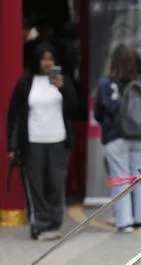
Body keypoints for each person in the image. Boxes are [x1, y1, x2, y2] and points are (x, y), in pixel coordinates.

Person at [7, 42, 78, 241]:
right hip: (33, 141)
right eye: (43, 59)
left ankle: (54, 224)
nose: (47, 63)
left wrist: (63, 88)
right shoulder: (26, 83)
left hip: (58, 140)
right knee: (36, 185)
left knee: (56, 184)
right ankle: (39, 226)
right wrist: (12, 146)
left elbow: (74, 107)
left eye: (50, 59)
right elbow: (14, 115)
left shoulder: (62, 80)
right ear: (37, 61)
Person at [94, 44, 141, 233]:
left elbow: (98, 113)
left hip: (116, 137)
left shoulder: (106, 84)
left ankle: (124, 221)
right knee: (140, 178)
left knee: (120, 179)